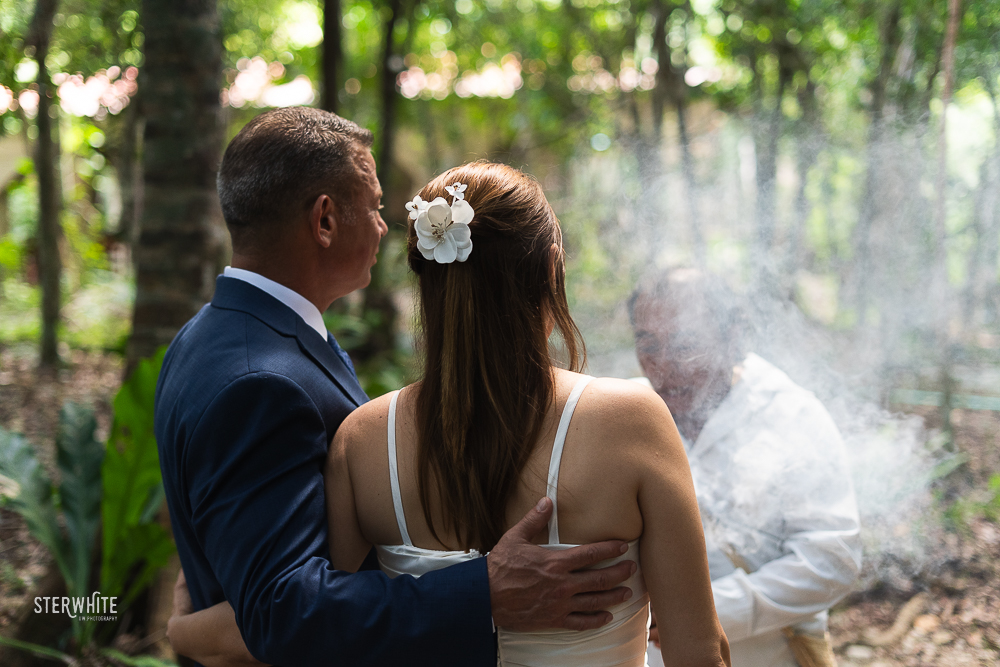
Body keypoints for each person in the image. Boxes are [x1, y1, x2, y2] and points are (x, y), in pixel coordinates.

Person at [166, 161, 732, 667]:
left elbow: (309, 630)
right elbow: (699, 653)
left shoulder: (363, 441)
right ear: (551, 268)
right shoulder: (630, 423)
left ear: (430, 277)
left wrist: (189, 630)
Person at [628, 268, 862, 667]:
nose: (663, 368)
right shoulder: (627, 415)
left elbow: (832, 557)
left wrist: (709, 612)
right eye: (648, 344)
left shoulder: (791, 416)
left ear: (733, 336)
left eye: (686, 344)